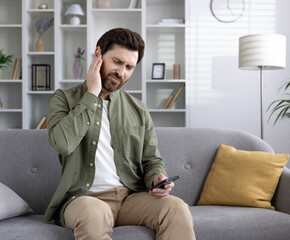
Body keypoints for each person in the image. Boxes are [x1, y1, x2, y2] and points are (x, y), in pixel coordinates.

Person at [44, 28, 196, 240]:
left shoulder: (138, 109)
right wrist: (92, 95)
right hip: (83, 199)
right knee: (94, 213)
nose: (121, 72)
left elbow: (152, 159)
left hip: (129, 198)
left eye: (129, 67)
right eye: (117, 62)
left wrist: (157, 178)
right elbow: (62, 144)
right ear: (98, 54)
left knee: (176, 207)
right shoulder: (63, 98)